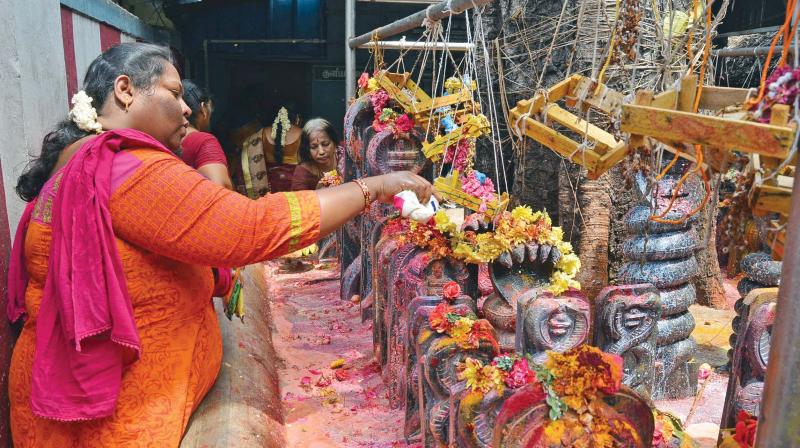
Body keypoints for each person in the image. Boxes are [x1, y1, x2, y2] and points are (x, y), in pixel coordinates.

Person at [7, 42, 434, 447]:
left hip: (65, 399)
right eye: (174, 93)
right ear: (125, 91)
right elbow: (250, 228)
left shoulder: (82, 159)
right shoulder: (128, 169)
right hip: (113, 420)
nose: (187, 107)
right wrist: (372, 187)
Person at [180, 79, 233, 190]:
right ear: (203, 108)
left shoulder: (164, 140)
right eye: (210, 112)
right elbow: (220, 190)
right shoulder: (203, 141)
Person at [239, 105, 302, 196]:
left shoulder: (256, 138)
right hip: (299, 197)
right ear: (297, 118)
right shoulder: (305, 135)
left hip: (267, 197)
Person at [292, 118, 339, 191]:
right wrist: (317, 194)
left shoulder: (348, 156)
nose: (321, 152)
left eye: (325, 144)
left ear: (335, 144)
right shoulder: (302, 173)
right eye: (314, 147)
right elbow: (298, 200)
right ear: (307, 150)